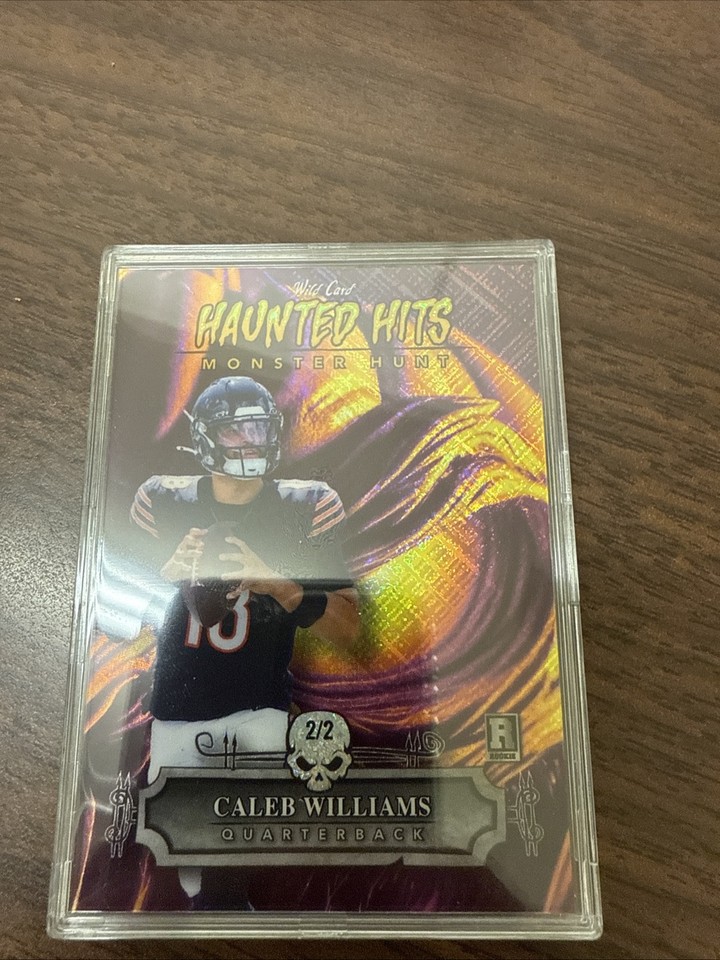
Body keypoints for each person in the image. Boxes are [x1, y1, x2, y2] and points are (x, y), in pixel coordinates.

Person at [129, 376, 360, 901]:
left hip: (258, 711)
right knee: (182, 871)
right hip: (176, 710)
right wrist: (165, 572)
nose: (250, 441)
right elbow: (116, 615)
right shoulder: (162, 500)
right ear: (206, 437)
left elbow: (348, 630)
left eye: (258, 428)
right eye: (235, 431)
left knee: (231, 870)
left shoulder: (305, 505)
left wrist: (277, 582)